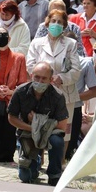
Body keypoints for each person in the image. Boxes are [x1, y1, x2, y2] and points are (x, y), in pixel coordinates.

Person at [27, 9, 81, 156]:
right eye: (53, 21)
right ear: (47, 23)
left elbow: (76, 70)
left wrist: (61, 78)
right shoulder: (37, 43)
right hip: (41, 89)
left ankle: (60, 161)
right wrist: (45, 78)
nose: (56, 25)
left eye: (60, 22)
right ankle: (39, 160)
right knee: (40, 125)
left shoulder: (71, 44)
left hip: (64, 92)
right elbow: (30, 65)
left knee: (65, 130)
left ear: (64, 26)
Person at [8, 62, 68, 185]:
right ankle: (35, 162)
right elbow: (11, 118)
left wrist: (37, 121)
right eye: (37, 77)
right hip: (26, 132)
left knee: (57, 141)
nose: (40, 81)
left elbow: (62, 125)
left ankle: (54, 174)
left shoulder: (58, 96)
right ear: (31, 75)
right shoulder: (20, 91)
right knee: (26, 177)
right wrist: (32, 127)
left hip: (50, 134)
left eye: (44, 78)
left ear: (51, 80)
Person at [0, 27, 28, 163]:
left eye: (3, 35)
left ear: (9, 38)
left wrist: (11, 91)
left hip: (9, 100)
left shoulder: (19, 58)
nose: (1, 37)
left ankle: (6, 156)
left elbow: (23, 83)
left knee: (8, 131)